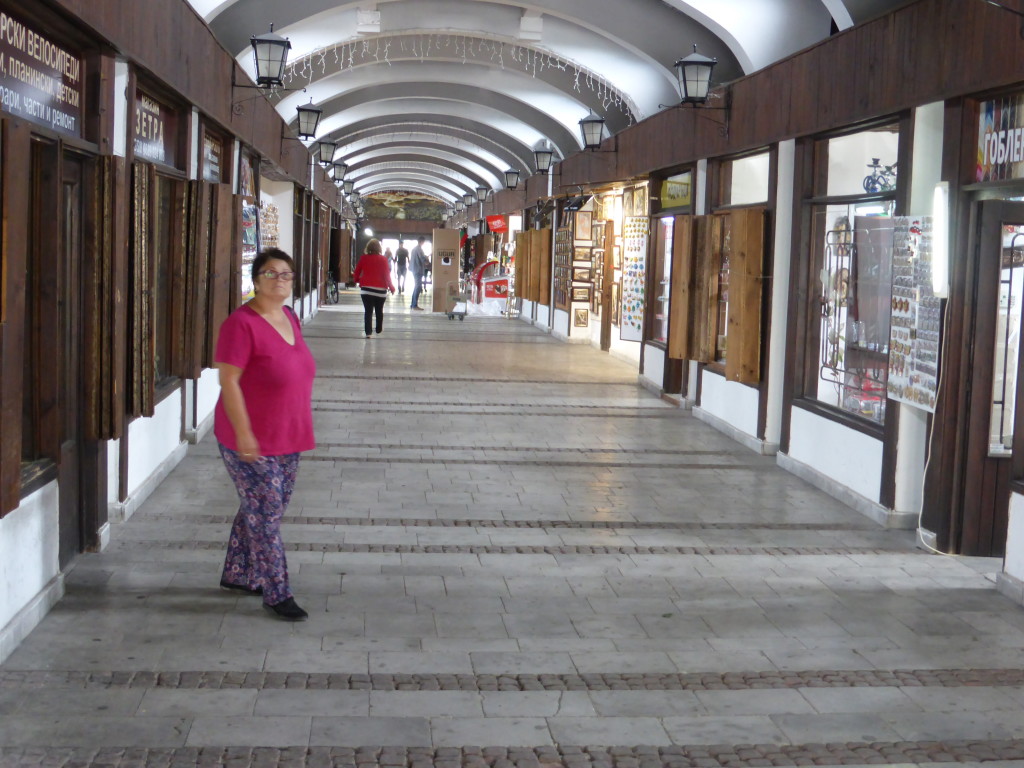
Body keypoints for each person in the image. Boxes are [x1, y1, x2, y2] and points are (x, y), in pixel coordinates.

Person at [214, 248, 316, 622]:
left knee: (262, 508)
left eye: (287, 274)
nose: (280, 279)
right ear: (256, 280)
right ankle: (276, 591)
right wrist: (243, 434)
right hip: (249, 437)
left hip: (288, 433)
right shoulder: (240, 324)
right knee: (267, 513)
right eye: (271, 273)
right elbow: (228, 381)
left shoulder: (290, 316)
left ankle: (238, 573)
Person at [353, 238, 397, 338]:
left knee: (368, 312)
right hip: (380, 291)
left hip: (366, 291)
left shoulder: (363, 258)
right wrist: (392, 287)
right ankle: (378, 329)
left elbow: (357, 272)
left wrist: (357, 280)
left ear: (368, 247)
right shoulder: (383, 259)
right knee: (379, 310)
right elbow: (387, 275)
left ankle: (368, 333)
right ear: (379, 248)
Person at [409, 236, 429, 310]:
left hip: (415, 269)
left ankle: (413, 304)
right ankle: (414, 305)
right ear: (421, 241)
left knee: (416, 287)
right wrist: (427, 261)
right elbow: (422, 258)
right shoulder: (419, 249)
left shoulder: (414, 249)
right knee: (418, 287)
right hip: (418, 270)